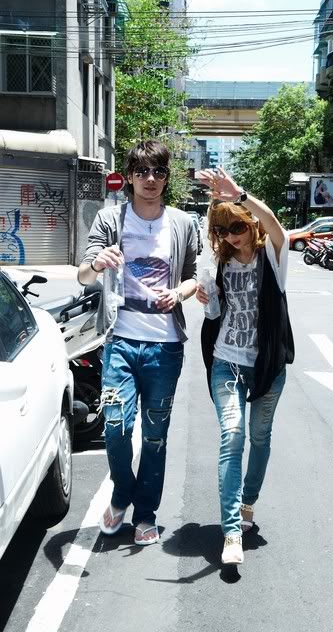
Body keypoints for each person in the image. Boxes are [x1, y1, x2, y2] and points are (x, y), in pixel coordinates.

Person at [78, 140, 197, 545]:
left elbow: (192, 276)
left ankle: (145, 514)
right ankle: (121, 494)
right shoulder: (110, 218)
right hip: (121, 342)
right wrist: (97, 263)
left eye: (158, 172)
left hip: (165, 346)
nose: (150, 179)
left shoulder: (182, 223)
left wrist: (178, 294)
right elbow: (83, 274)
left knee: (154, 435)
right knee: (115, 427)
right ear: (129, 176)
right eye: (142, 171)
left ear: (166, 178)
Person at [196, 167, 295, 565]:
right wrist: (207, 298)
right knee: (232, 437)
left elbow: (276, 227)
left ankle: (248, 501)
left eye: (236, 227)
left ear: (249, 223)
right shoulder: (218, 263)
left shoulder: (272, 258)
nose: (230, 237)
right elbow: (215, 313)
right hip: (227, 362)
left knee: (260, 437)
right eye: (222, 231)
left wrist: (240, 195)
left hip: (267, 366)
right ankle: (232, 530)